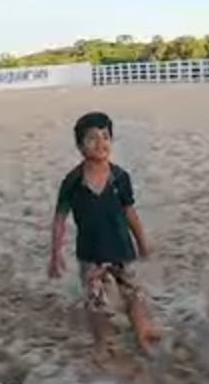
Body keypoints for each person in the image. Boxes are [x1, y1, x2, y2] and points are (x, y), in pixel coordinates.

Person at [47, 112, 161, 358]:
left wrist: (142, 242)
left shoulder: (120, 178)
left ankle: (142, 333)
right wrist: (55, 255)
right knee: (96, 303)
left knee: (134, 295)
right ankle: (102, 344)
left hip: (122, 249)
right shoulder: (73, 182)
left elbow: (130, 212)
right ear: (79, 146)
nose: (101, 144)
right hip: (91, 254)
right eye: (92, 139)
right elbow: (59, 219)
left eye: (106, 137)